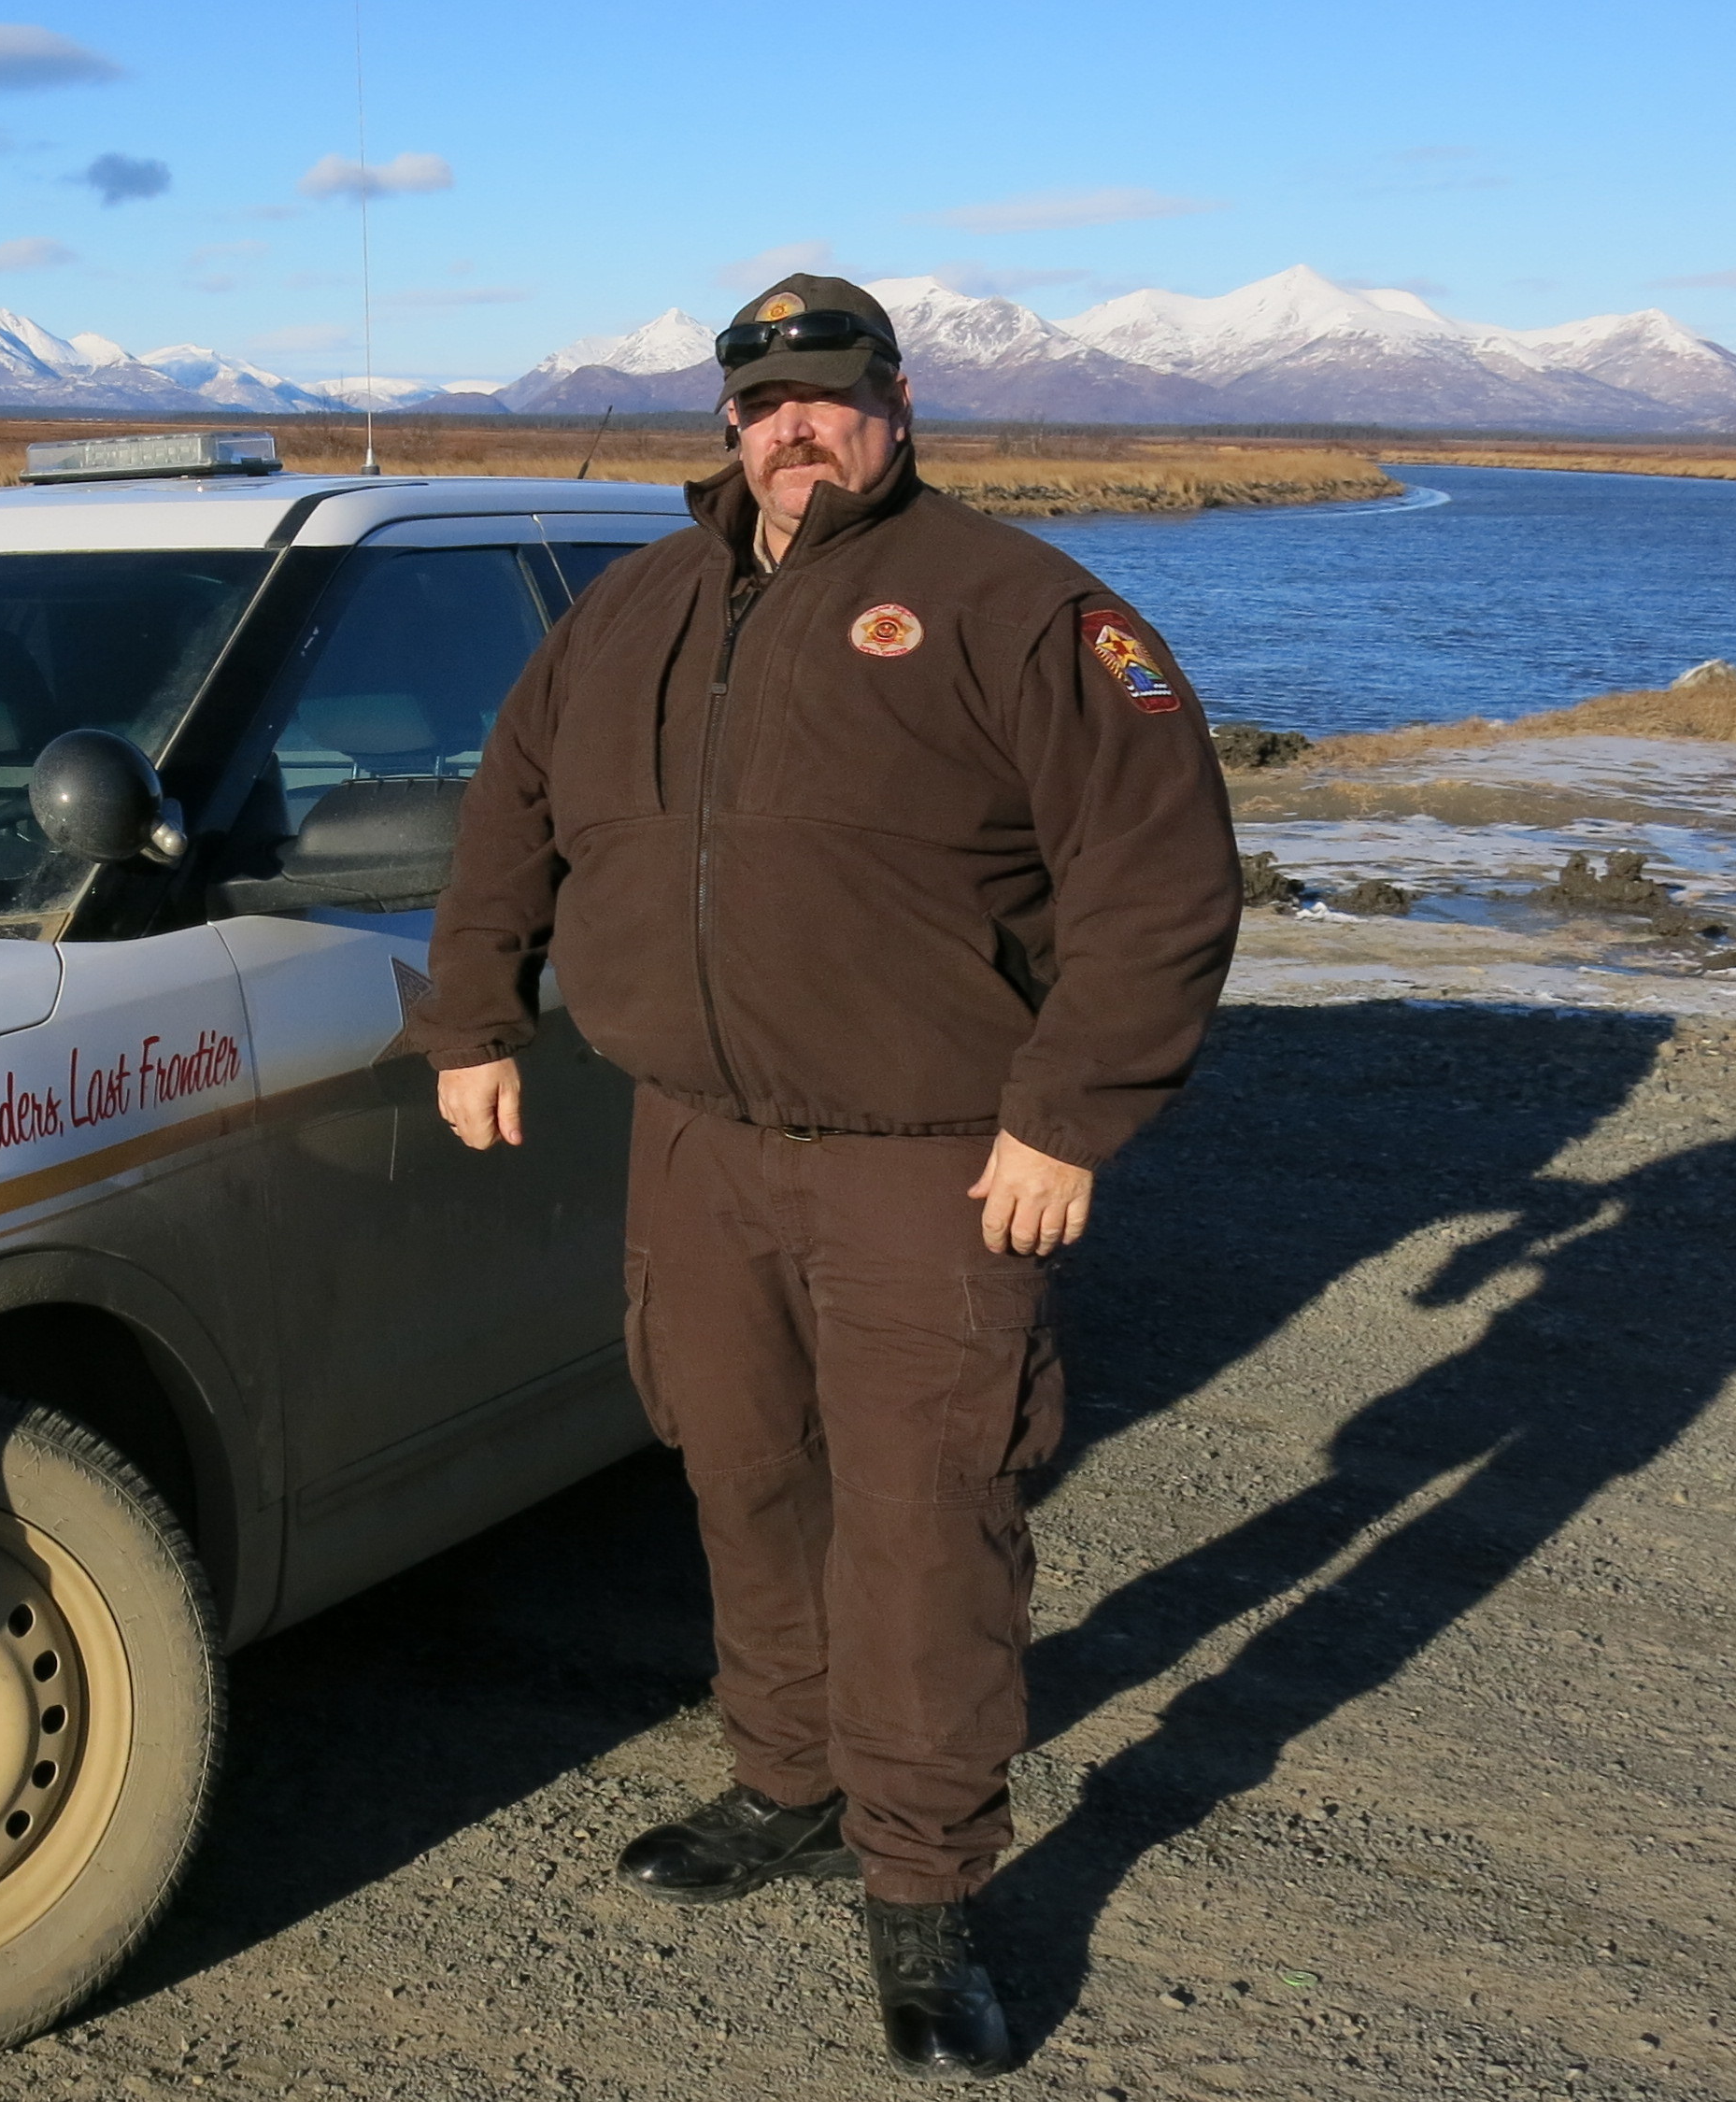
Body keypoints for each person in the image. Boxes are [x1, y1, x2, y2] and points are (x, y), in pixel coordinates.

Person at [413, 273, 1238, 2079]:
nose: (798, 426)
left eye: (831, 395)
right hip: (695, 1141)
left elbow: (1161, 879)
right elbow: (512, 810)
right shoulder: (634, 606)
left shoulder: (1018, 606)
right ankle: (786, 1782)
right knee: (743, 1474)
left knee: (927, 1516)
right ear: (727, 419)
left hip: (931, 1161)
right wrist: (474, 1010)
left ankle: (926, 1893)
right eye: (766, 398)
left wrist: (1067, 1112)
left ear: (898, 402)